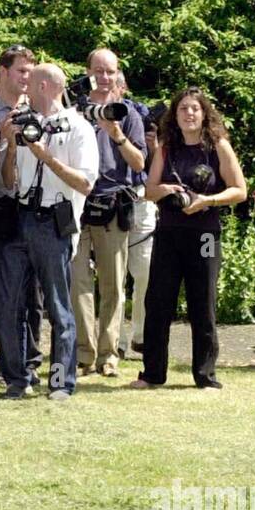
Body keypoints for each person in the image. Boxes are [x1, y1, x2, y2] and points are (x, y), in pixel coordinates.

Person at [130, 87, 247, 390]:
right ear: (175, 114)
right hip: (169, 232)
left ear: (204, 113)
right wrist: (167, 191)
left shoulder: (217, 145)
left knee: (202, 302)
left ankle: (205, 375)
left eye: (194, 108)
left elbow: (239, 190)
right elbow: (148, 191)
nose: (189, 113)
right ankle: (152, 373)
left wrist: (207, 201)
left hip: (205, 233)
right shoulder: (168, 147)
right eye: (183, 108)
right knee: (158, 302)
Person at [0, 63, 98, 401]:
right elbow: (9, 182)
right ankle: (17, 377)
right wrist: (11, 145)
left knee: (57, 305)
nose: (23, 86)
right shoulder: (23, 124)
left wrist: (46, 156)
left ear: (44, 86)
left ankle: (60, 381)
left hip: (54, 221)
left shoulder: (78, 127)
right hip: (19, 217)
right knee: (8, 303)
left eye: (30, 81)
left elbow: (85, 182)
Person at [70, 49, 146, 376]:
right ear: (88, 73)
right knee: (77, 282)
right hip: (75, 205)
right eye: (98, 71)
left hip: (113, 204)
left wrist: (116, 133)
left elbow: (140, 163)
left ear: (118, 75)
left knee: (113, 284)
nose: (104, 77)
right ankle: (84, 353)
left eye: (110, 71)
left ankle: (109, 354)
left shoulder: (128, 114)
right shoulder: (72, 112)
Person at [0, 45, 44, 391]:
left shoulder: (39, 106)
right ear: (3, 71)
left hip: (34, 206)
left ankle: (30, 363)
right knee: (1, 293)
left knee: (32, 295)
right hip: (0, 208)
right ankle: (7, 361)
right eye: (21, 71)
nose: (27, 78)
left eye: (30, 72)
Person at [118, 89, 162, 356]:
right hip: (113, 200)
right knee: (115, 277)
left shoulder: (141, 117)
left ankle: (142, 334)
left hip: (142, 200)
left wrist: (154, 145)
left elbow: (160, 167)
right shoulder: (93, 115)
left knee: (145, 273)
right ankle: (117, 341)